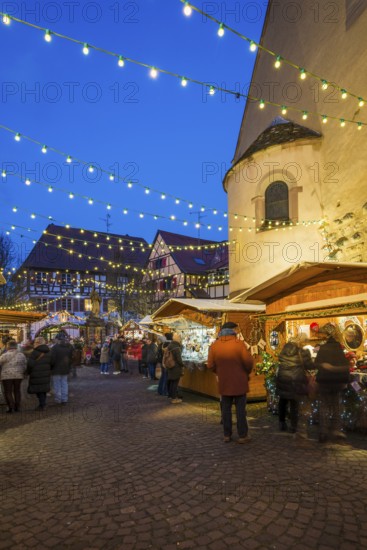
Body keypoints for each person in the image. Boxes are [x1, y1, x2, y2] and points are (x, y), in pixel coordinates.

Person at [207, 322, 253, 444]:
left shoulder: (214, 345)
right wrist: (245, 372)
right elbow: (248, 362)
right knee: (240, 410)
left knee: (226, 409)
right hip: (239, 382)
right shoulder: (239, 344)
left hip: (224, 382)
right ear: (233, 331)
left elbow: (210, 365)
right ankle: (242, 435)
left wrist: (219, 372)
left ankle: (227, 435)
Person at [314, 323, 350, 444]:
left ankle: (323, 432)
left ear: (326, 336)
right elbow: (345, 366)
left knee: (324, 407)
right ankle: (335, 430)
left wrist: (324, 366)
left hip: (324, 382)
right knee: (336, 406)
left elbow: (317, 364)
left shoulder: (323, 348)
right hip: (337, 383)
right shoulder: (339, 349)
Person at [276, 336, 314, 438]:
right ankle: (293, 426)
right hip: (295, 379)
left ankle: (282, 423)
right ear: (300, 343)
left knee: (283, 401)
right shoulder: (302, 352)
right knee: (294, 403)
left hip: (283, 378)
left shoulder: (284, 350)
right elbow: (310, 365)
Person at [0, 340, 27, 413]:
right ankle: (17, 407)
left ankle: (10, 407)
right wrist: (23, 372)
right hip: (18, 375)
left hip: (6, 375)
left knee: (8, 391)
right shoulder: (21, 355)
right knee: (17, 390)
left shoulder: (4, 355)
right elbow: (25, 365)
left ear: (8, 346)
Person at [26, 337, 52, 410]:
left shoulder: (34, 352)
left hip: (36, 373)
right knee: (43, 389)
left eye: (35, 342)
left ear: (37, 343)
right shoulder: (49, 351)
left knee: (38, 389)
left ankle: (42, 405)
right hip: (46, 373)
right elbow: (52, 362)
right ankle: (43, 403)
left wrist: (28, 372)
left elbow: (30, 364)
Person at [50, 333, 74, 404]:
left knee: (57, 384)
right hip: (65, 368)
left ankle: (58, 399)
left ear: (57, 339)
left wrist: (51, 367)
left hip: (56, 369)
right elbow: (71, 358)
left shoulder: (54, 348)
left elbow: (52, 360)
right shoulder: (68, 348)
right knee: (64, 384)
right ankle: (64, 399)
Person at [165, 333, 184, 403]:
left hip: (170, 366)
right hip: (175, 367)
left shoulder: (170, 345)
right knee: (175, 383)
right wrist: (182, 365)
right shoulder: (176, 347)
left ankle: (171, 396)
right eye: (180, 338)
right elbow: (179, 359)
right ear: (178, 339)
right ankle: (174, 398)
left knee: (172, 382)